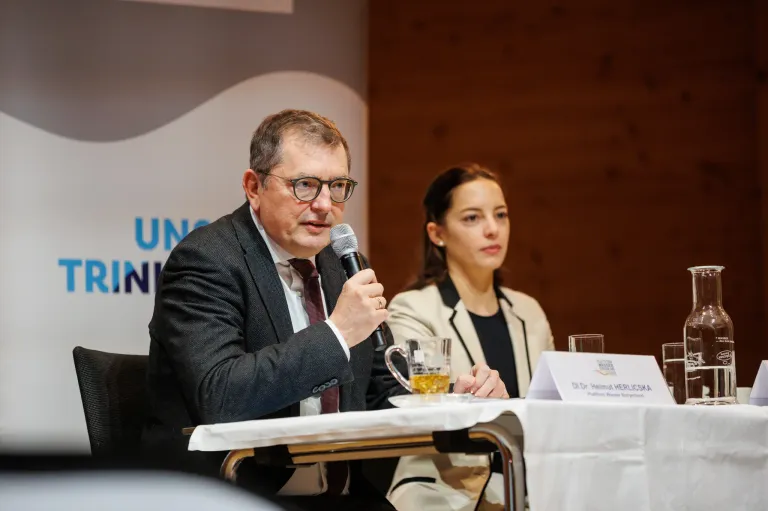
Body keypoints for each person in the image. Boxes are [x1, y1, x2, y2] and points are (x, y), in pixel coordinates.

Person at [142, 111, 508, 511]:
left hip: (345, 495)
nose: (324, 205)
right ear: (254, 186)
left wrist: (451, 397)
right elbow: (220, 395)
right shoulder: (208, 259)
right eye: (305, 185)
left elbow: (381, 393)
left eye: (337, 186)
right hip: (238, 493)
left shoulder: (342, 263)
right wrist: (336, 333)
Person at [386, 163, 555, 511]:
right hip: (445, 494)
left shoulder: (530, 312)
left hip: (529, 491)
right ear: (437, 233)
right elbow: (412, 406)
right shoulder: (413, 308)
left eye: (501, 215)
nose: (493, 229)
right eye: (472, 218)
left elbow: (551, 415)